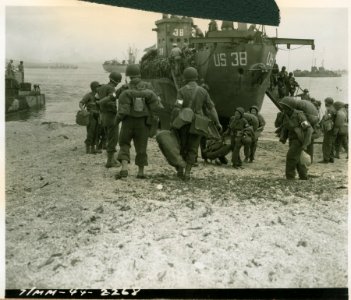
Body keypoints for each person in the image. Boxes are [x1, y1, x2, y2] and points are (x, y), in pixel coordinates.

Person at [171, 67, 222, 180]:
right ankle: (188, 172)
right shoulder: (203, 91)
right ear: (196, 77)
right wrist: (218, 122)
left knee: (181, 145)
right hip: (198, 123)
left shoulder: (181, 91)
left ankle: (180, 169)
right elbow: (211, 108)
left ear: (185, 78)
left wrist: (173, 123)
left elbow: (177, 107)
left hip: (184, 121)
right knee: (193, 147)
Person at [116, 64, 163, 179]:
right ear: (139, 74)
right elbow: (156, 102)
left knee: (124, 143)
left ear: (128, 75)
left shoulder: (125, 87)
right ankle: (140, 172)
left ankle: (124, 168)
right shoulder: (148, 87)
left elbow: (116, 96)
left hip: (127, 121)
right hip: (143, 122)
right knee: (141, 147)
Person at [96, 72, 125, 168]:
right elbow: (111, 99)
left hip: (103, 116)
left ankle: (111, 159)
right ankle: (110, 161)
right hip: (111, 116)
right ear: (116, 81)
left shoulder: (101, 87)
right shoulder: (111, 88)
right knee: (113, 138)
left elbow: (98, 98)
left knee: (108, 137)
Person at [279, 98, 313, 180]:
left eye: (285, 107)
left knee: (291, 157)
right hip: (292, 139)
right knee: (297, 158)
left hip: (299, 139)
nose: (283, 108)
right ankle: (303, 176)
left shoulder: (299, 115)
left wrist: (305, 144)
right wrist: (283, 137)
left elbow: (309, 129)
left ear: (290, 107)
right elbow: (285, 126)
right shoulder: (285, 115)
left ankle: (290, 176)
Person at [79, 81, 101, 154]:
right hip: (91, 116)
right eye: (98, 86)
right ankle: (88, 149)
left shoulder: (99, 95)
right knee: (90, 132)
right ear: (94, 88)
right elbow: (81, 103)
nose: (99, 88)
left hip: (98, 116)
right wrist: (83, 111)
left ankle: (93, 149)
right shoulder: (88, 95)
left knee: (97, 132)